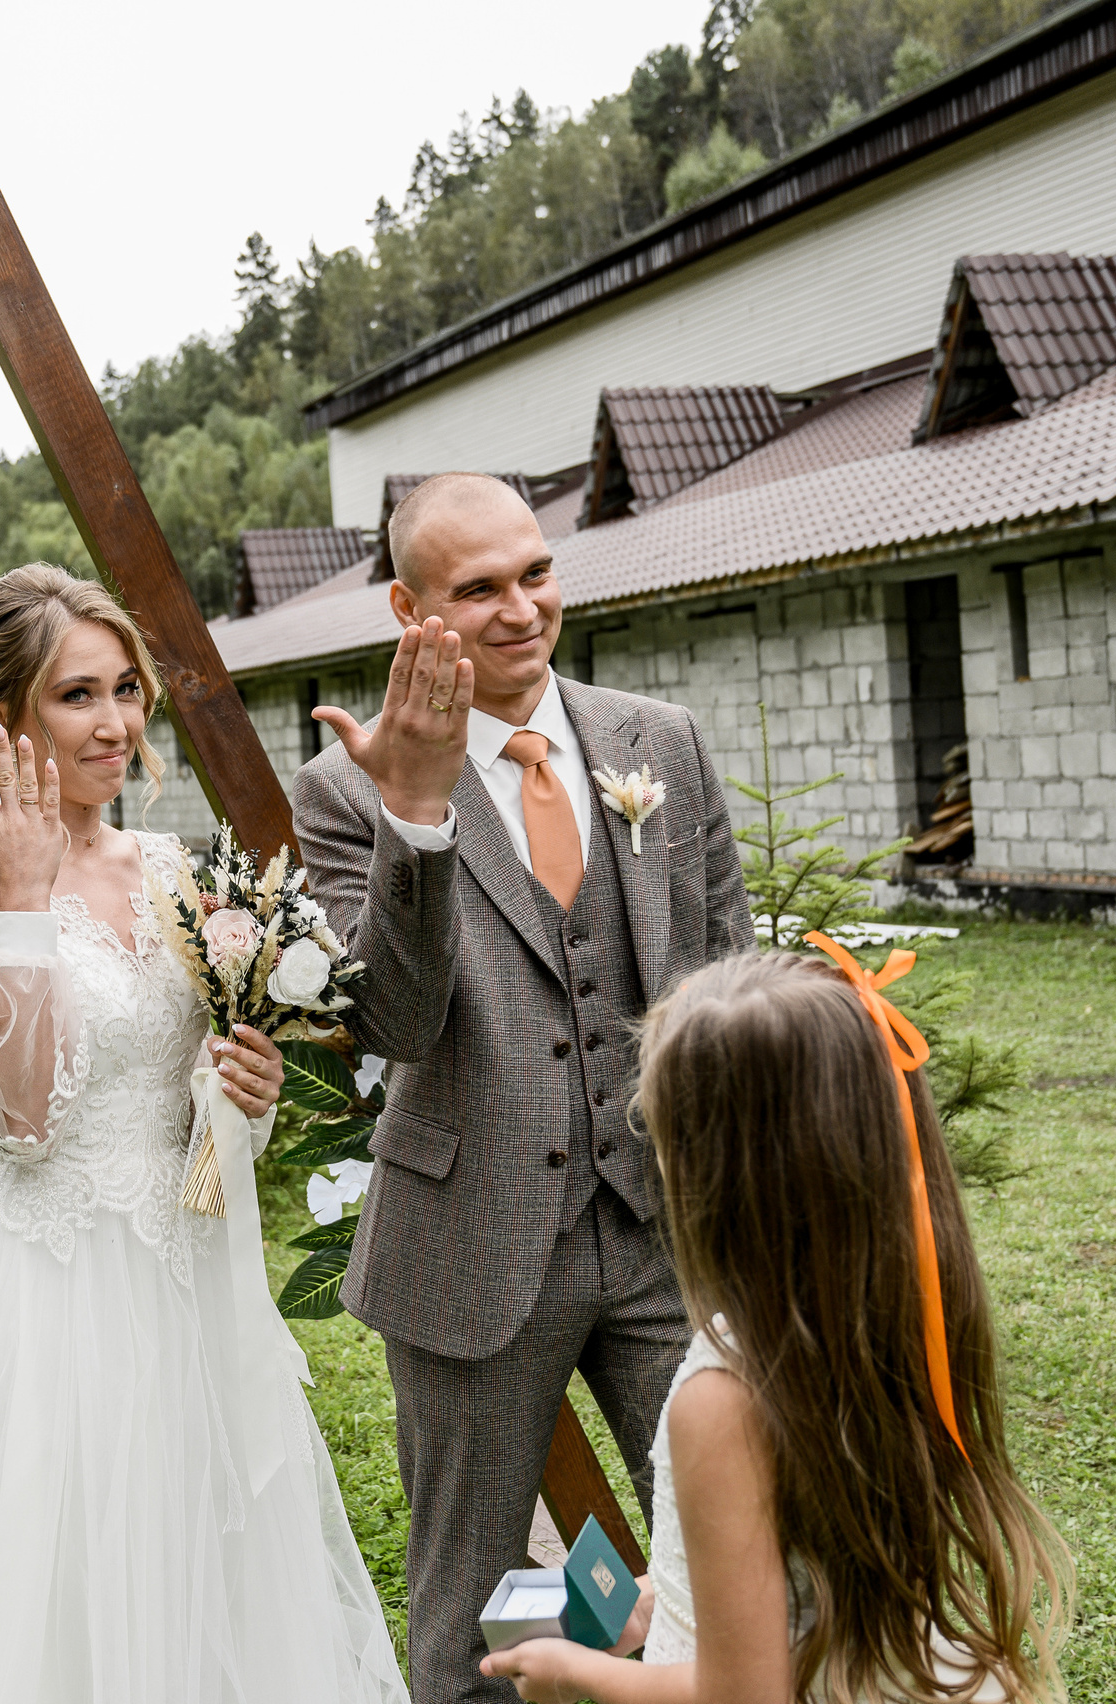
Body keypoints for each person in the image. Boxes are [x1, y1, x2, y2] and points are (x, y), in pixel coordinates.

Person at [0, 564, 408, 1703]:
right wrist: (21, 898)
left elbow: (182, 1103)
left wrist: (240, 1095)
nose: (115, 723)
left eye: (126, 690)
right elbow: (19, 1119)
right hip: (42, 1301)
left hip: (186, 1284)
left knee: (200, 1577)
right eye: (78, 695)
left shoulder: (167, 870)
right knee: (51, 1605)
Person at [291, 473, 752, 1703]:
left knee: (754, 1542)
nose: (517, 609)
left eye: (534, 573)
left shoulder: (662, 743)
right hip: (469, 1241)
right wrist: (419, 810)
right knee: (471, 1593)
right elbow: (387, 1018)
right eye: (476, 589)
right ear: (407, 608)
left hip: (668, 1232)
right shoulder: (345, 794)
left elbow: (724, 980)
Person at [480, 949, 1072, 1702]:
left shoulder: (721, 1399)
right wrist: (657, 1600)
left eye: (657, 1128)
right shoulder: (888, 1312)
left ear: (713, 1174)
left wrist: (574, 1669)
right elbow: (800, 1570)